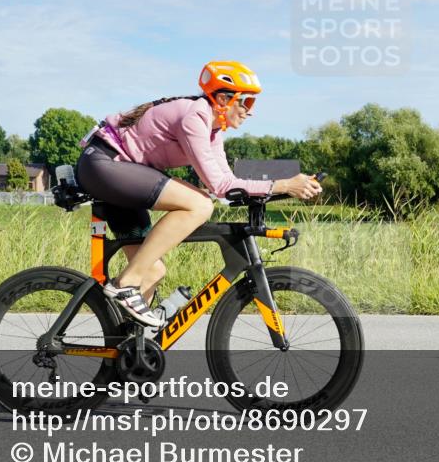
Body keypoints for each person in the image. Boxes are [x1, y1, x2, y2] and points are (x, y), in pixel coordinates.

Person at [75, 60, 322, 328]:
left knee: (153, 271)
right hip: (105, 166)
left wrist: (279, 190)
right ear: (224, 99)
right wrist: (284, 185)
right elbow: (219, 186)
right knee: (200, 205)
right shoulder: (195, 117)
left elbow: (229, 184)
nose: (250, 112)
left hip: (122, 175)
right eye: (246, 102)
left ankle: (129, 345)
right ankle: (125, 284)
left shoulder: (212, 132)